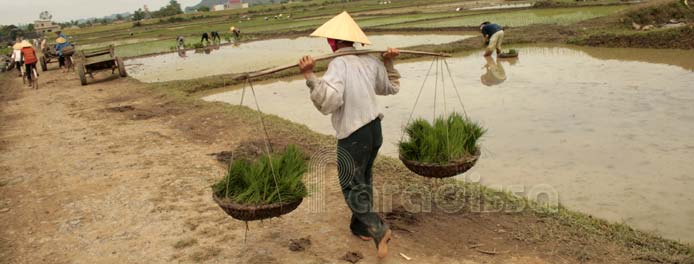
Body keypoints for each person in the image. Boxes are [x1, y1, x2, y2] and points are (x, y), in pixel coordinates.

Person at [298, 11, 399, 259]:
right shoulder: (370, 60)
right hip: (374, 130)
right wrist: (388, 62)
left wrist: (310, 76)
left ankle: (378, 228)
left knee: (350, 183)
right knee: (362, 178)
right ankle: (359, 226)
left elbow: (328, 102)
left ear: (332, 42)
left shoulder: (339, 64)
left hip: (354, 133)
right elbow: (390, 87)